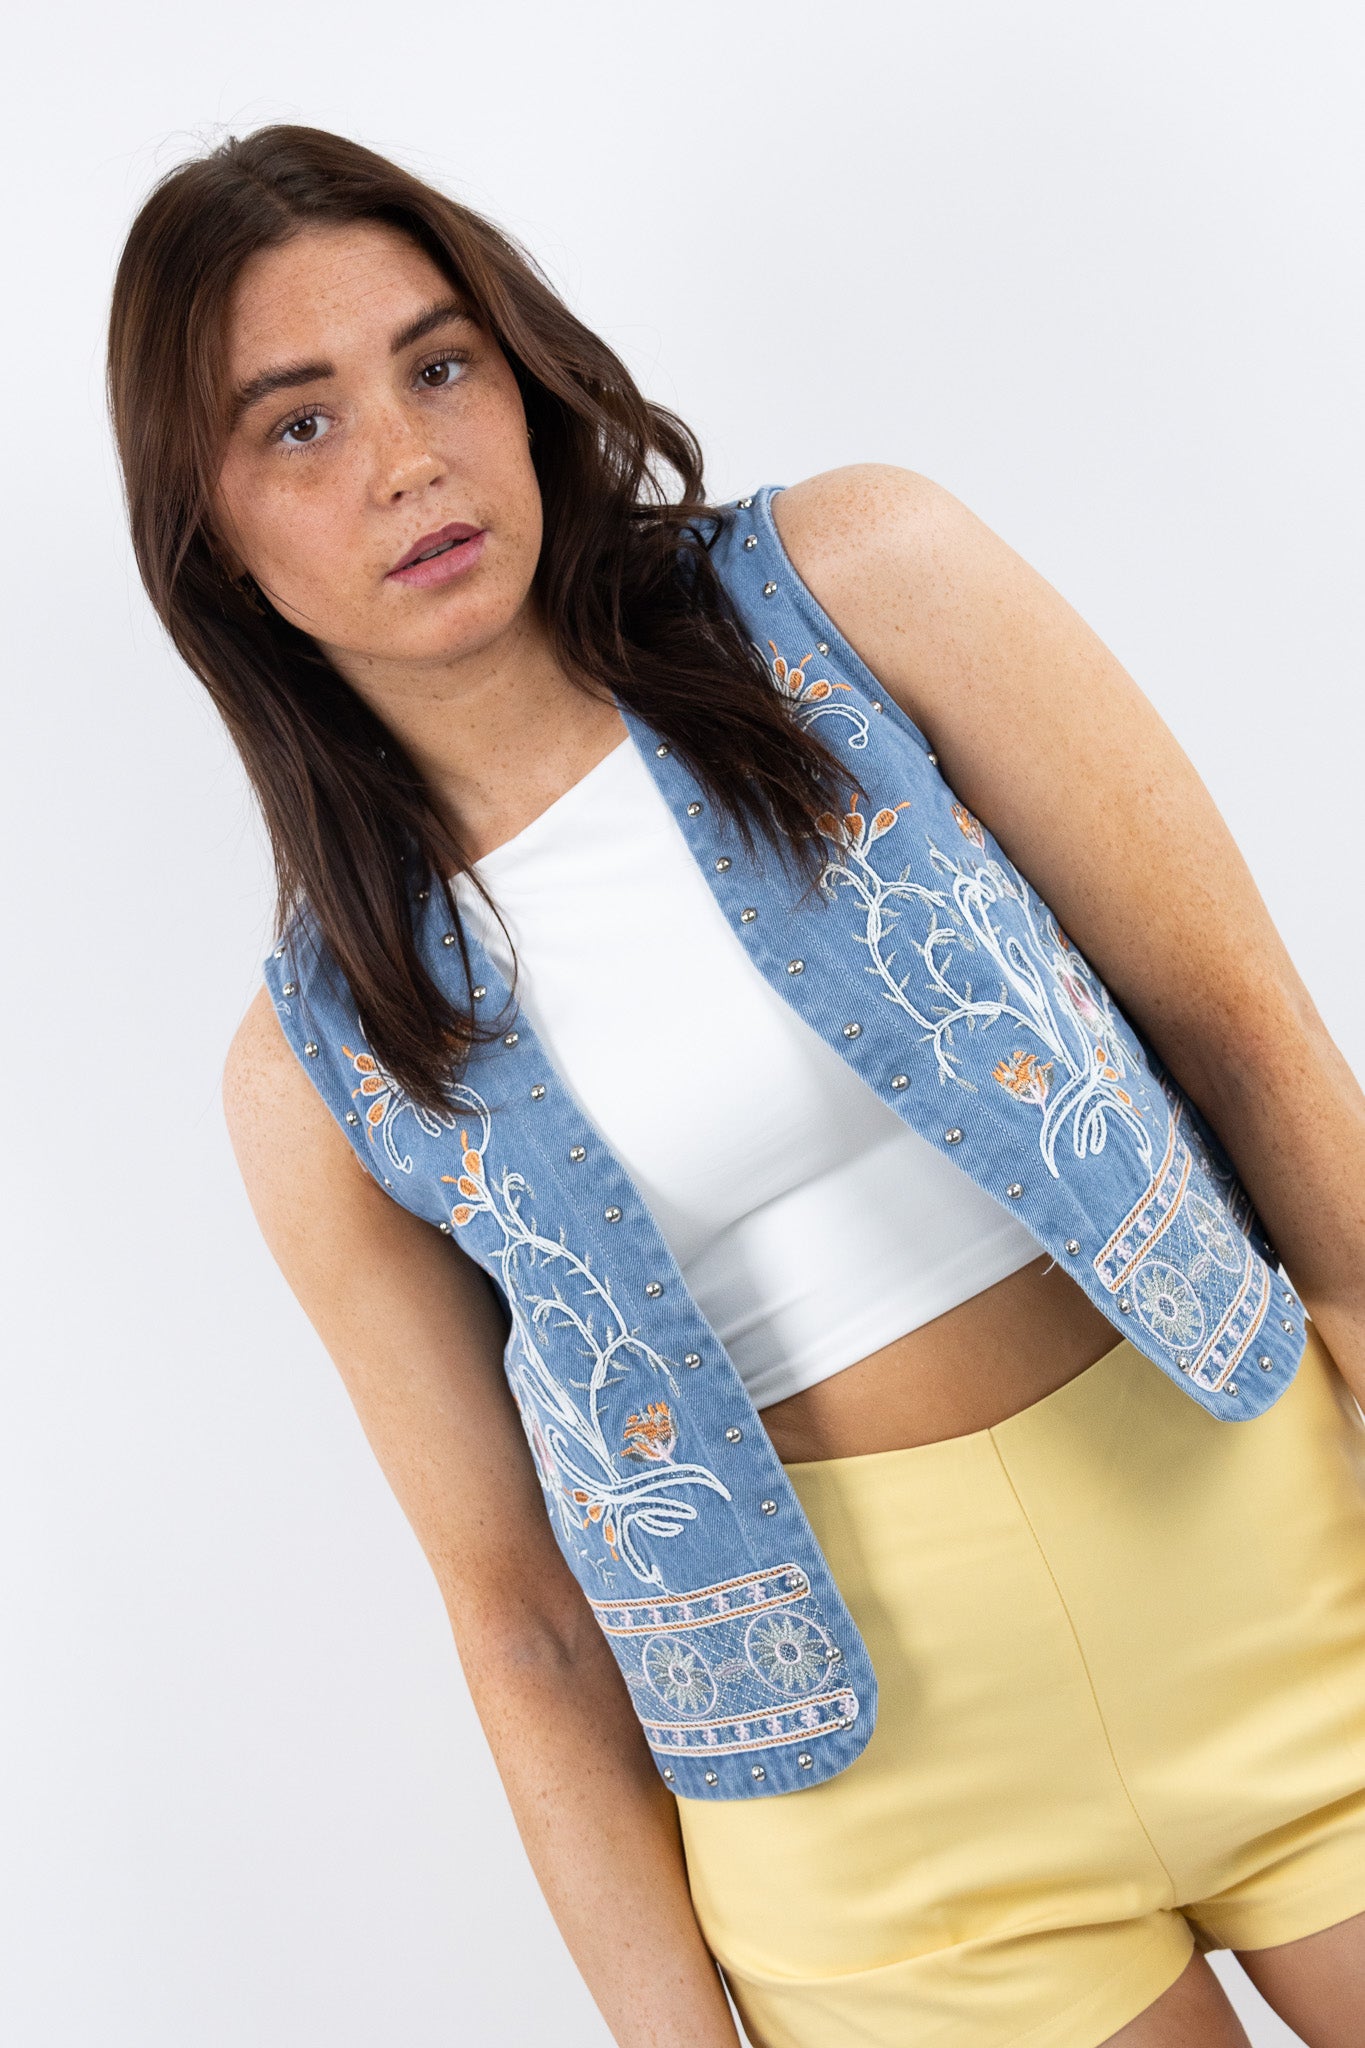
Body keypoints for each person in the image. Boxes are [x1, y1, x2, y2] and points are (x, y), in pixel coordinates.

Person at [107, 124, 1365, 2048]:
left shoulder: (859, 584)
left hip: (1280, 1575)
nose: (406, 460)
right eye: (298, 424)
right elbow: (520, 1622)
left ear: (522, 378)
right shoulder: (321, 1065)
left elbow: (1243, 1027)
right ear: (212, 539)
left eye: (438, 365)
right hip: (881, 1848)